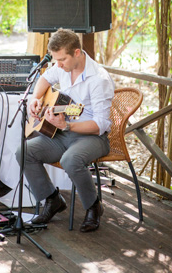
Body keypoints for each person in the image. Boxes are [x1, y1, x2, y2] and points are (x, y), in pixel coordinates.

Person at [16, 28, 114, 232]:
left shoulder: (99, 80)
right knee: (23, 152)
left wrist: (67, 125)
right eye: (55, 60)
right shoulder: (62, 66)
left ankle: (94, 206)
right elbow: (45, 78)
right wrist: (35, 99)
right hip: (62, 133)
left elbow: (100, 124)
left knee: (71, 159)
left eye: (62, 60)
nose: (58, 64)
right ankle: (52, 200)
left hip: (92, 137)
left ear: (77, 52)